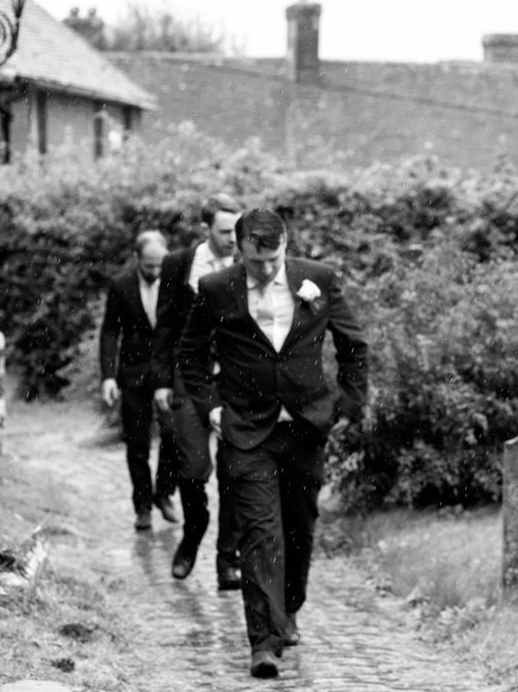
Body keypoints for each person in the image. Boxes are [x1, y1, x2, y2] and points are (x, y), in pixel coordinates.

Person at [177, 208, 368, 680]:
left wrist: (348, 405)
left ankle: (290, 610)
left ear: (285, 244)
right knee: (259, 532)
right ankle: (263, 641)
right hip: (245, 430)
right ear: (239, 249)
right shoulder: (217, 287)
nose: (265, 269)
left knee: (301, 528)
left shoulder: (318, 279)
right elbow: (190, 354)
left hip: (305, 427)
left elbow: (353, 344)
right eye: (255, 261)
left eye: (273, 259)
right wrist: (211, 408)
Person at [152, 193, 244, 589]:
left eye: (237, 230)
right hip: (191, 379)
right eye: (225, 232)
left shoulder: (251, 263)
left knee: (235, 472)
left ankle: (228, 559)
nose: (234, 239)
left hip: (238, 383)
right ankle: (194, 529)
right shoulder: (177, 265)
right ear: (206, 230)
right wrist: (159, 380)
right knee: (191, 469)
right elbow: (165, 327)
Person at [98, 230, 181, 532]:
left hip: (168, 375)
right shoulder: (121, 286)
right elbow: (110, 332)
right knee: (137, 445)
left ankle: (165, 494)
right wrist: (108, 376)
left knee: (173, 436)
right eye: (149, 266)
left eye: (160, 265)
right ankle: (142, 506)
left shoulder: (177, 283)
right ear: (137, 260)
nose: (155, 272)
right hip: (132, 375)